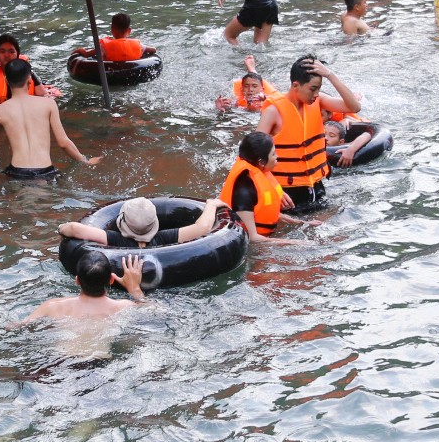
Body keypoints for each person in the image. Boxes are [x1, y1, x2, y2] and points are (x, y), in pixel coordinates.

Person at [0, 58, 101, 180]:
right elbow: (63, 143)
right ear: (29, 79)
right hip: (45, 172)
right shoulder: (48, 104)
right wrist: (85, 160)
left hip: (16, 172)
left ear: (6, 80)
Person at [257, 56, 361, 208]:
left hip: (315, 186)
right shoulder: (273, 112)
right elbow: (252, 156)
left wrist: (329, 75)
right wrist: (274, 189)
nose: (317, 94)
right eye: (313, 89)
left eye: (318, 88)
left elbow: (354, 107)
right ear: (295, 85)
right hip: (285, 193)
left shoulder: (318, 101)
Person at [18, 249, 147, 325]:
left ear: (77, 280)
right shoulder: (122, 307)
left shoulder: (53, 306)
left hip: (58, 362)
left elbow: (14, 327)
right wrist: (134, 288)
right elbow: (157, 311)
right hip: (98, 364)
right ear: (111, 280)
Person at [57, 196, 230, 252]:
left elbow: (73, 228)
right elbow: (202, 228)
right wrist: (212, 205)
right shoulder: (165, 238)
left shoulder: (114, 240)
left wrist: (60, 228)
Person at [218, 130, 291, 240]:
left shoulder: (259, 171)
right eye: (273, 154)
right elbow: (252, 237)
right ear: (261, 162)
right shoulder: (244, 189)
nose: (277, 156)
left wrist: (300, 222)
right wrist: (295, 243)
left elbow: (260, 211)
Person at [0, 34, 59, 107]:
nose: (7, 55)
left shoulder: (27, 73)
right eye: (2, 51)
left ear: (17, 54)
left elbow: (44, 97)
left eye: (11, 51)